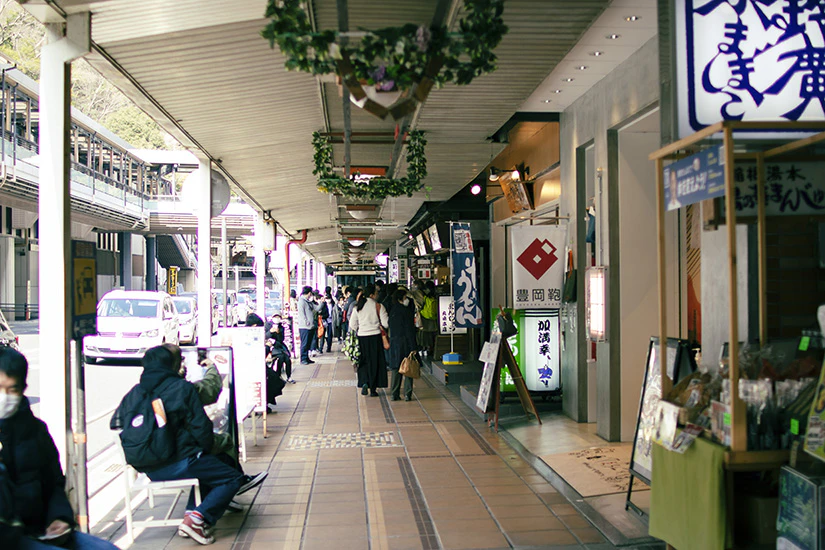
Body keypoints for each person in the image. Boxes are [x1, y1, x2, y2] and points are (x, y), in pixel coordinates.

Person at [111, 346, 243, 545]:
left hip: (147, 467)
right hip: (178, 462)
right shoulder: (182, 388)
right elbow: (201, 429)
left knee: (212, 465)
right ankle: (197, 519)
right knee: (232, 478)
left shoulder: (135, 392)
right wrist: (204, 449)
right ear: (172, 364)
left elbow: (116, 423)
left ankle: (193, 511)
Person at [0, 348, 120, 550]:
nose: (5, 397)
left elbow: (54, 482)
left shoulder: (36, 429)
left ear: (22, 389)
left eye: (12, 390)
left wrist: (59, 517)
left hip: (41, 529)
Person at [160, 344, 267, 505]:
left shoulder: (141, 390)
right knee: (220, 445)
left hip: (151, 458)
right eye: (181, 360)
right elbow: (211, 388)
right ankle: (209, 503)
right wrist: (211, 367)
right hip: (179, 454)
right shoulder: (181, 389)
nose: (184, 364)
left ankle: (224, 490)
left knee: (213, 448)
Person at [349, 284, 389, 397]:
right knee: (375, 362)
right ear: (372, 295)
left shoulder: (358, 307)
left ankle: (364, 382)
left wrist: (360, 328)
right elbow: (386, 323)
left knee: (363, 361)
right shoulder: (378, 306)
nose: (377, 295)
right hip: (375, 337)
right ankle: (373, 389)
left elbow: (352, 325)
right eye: (376, 293)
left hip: (362, 338)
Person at [388, 288, 417, 402]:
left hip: (394, 342)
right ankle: (407, 394)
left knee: (396, 368)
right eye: (405, 297)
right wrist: (413, 346)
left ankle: (394, 393)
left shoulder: (392, 310)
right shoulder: (406, 311)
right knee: (408, 367)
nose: (407, 299)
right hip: (405, 342)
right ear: (401, 298)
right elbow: (409, 330)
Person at [265, 313, 294, 383]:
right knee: (280, 358)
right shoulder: (267, 325)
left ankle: (289, 376)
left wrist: (278, 333)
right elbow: (265, 336)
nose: (277, 319)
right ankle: (278, 376)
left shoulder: (281, 327)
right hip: (271, 347)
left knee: (287, 359)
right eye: (275, 317)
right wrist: (271, 332)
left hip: (279, 346)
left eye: (278, 317)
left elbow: (281, 339)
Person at [297, 286, 317, 365]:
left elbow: (317, 308)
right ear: (309, 293)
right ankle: (303, 359)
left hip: (310, 326)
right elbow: (302, 314)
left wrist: (322, 302)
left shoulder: (308, 302)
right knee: (304, 343)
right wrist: (306, 322)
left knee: (308, 343)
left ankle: (307, 358)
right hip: (304, 327)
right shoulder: (301, 301)